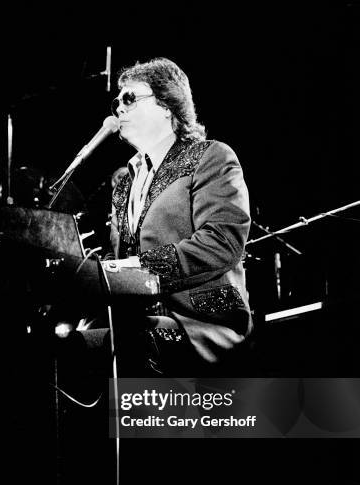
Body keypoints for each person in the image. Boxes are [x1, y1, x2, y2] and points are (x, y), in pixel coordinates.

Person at [65, 57, 252, 378]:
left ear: (167, 106)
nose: (119, 110)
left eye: (130, 99)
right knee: (69, 348)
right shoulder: (124, 182)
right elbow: (118, 256)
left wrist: (132, 269)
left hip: (204, 317)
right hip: (139, 321)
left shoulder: (211, 156)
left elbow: (221, 242)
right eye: (116, 102)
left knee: (114, 350)